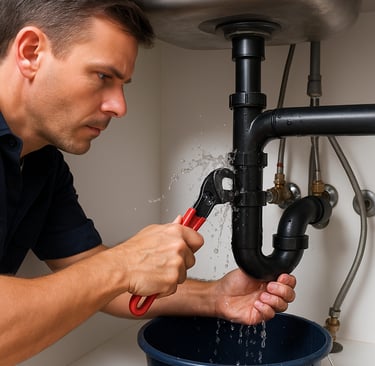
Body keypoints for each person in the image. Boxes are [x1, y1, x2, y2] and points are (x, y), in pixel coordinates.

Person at [0, 0, 296, 364]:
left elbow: (92, 279)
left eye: (122, 84)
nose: (119, 106)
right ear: (31, 52)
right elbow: (106, 276)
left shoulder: (43, 163)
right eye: (102, 76)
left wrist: (216, 296)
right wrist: (122, 264)